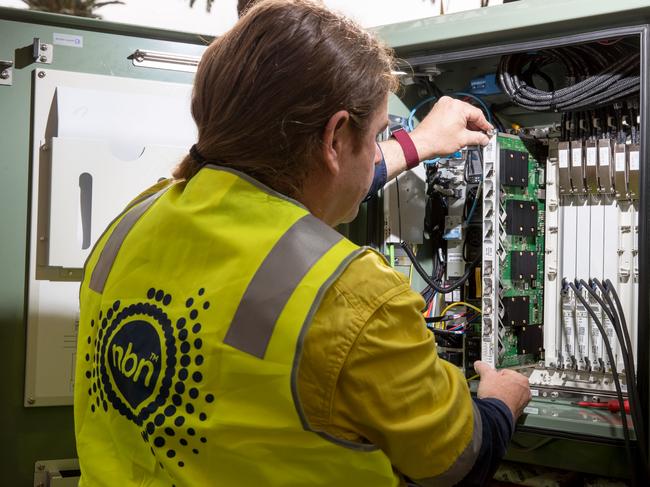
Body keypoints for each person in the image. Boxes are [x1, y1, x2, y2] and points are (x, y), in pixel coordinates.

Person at [74, 1, 531, 486]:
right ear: (334, 138)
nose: (378, 149)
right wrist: (500, 399)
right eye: (377, 134)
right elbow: (458, 460)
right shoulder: (352, 296)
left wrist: (415, 143)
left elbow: (284, 189)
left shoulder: (134, 220)